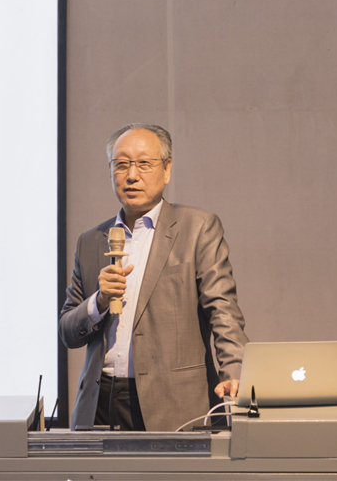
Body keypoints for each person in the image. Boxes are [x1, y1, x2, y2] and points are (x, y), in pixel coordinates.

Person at [59, 123, 248, 432]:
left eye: (144, 164)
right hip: (101, 403)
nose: (132, 175)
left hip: (173, 402)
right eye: (121, 164)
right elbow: (68, 331)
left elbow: (222, 308)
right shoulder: (91, 240)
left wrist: (235, 370)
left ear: (167, 169)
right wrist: (98, 302)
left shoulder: (197, 227)